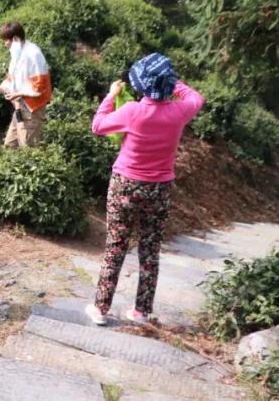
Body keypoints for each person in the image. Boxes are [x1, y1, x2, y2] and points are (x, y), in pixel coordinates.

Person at [84, 53, 204, 325]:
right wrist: (173, 82)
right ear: (168, 84)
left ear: (142, 84)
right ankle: (142, 311)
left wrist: (110, 95)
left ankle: (101, 309)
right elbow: (196, 98)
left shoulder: (132, 111)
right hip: (159, 189)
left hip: (125, 185)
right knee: (150, 250)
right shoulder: (179, 111)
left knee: (115, 247)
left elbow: (97, 126)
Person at [0, 21, 52, 148]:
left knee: (28, 147)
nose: (5, 44)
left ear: (15, 38)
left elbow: (40, 87)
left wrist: (18, 93)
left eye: (6, 41)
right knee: (10, 146)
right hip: (20, 106)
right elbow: (11, 81)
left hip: (33, 108)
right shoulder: (17, 54)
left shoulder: (33, 54)